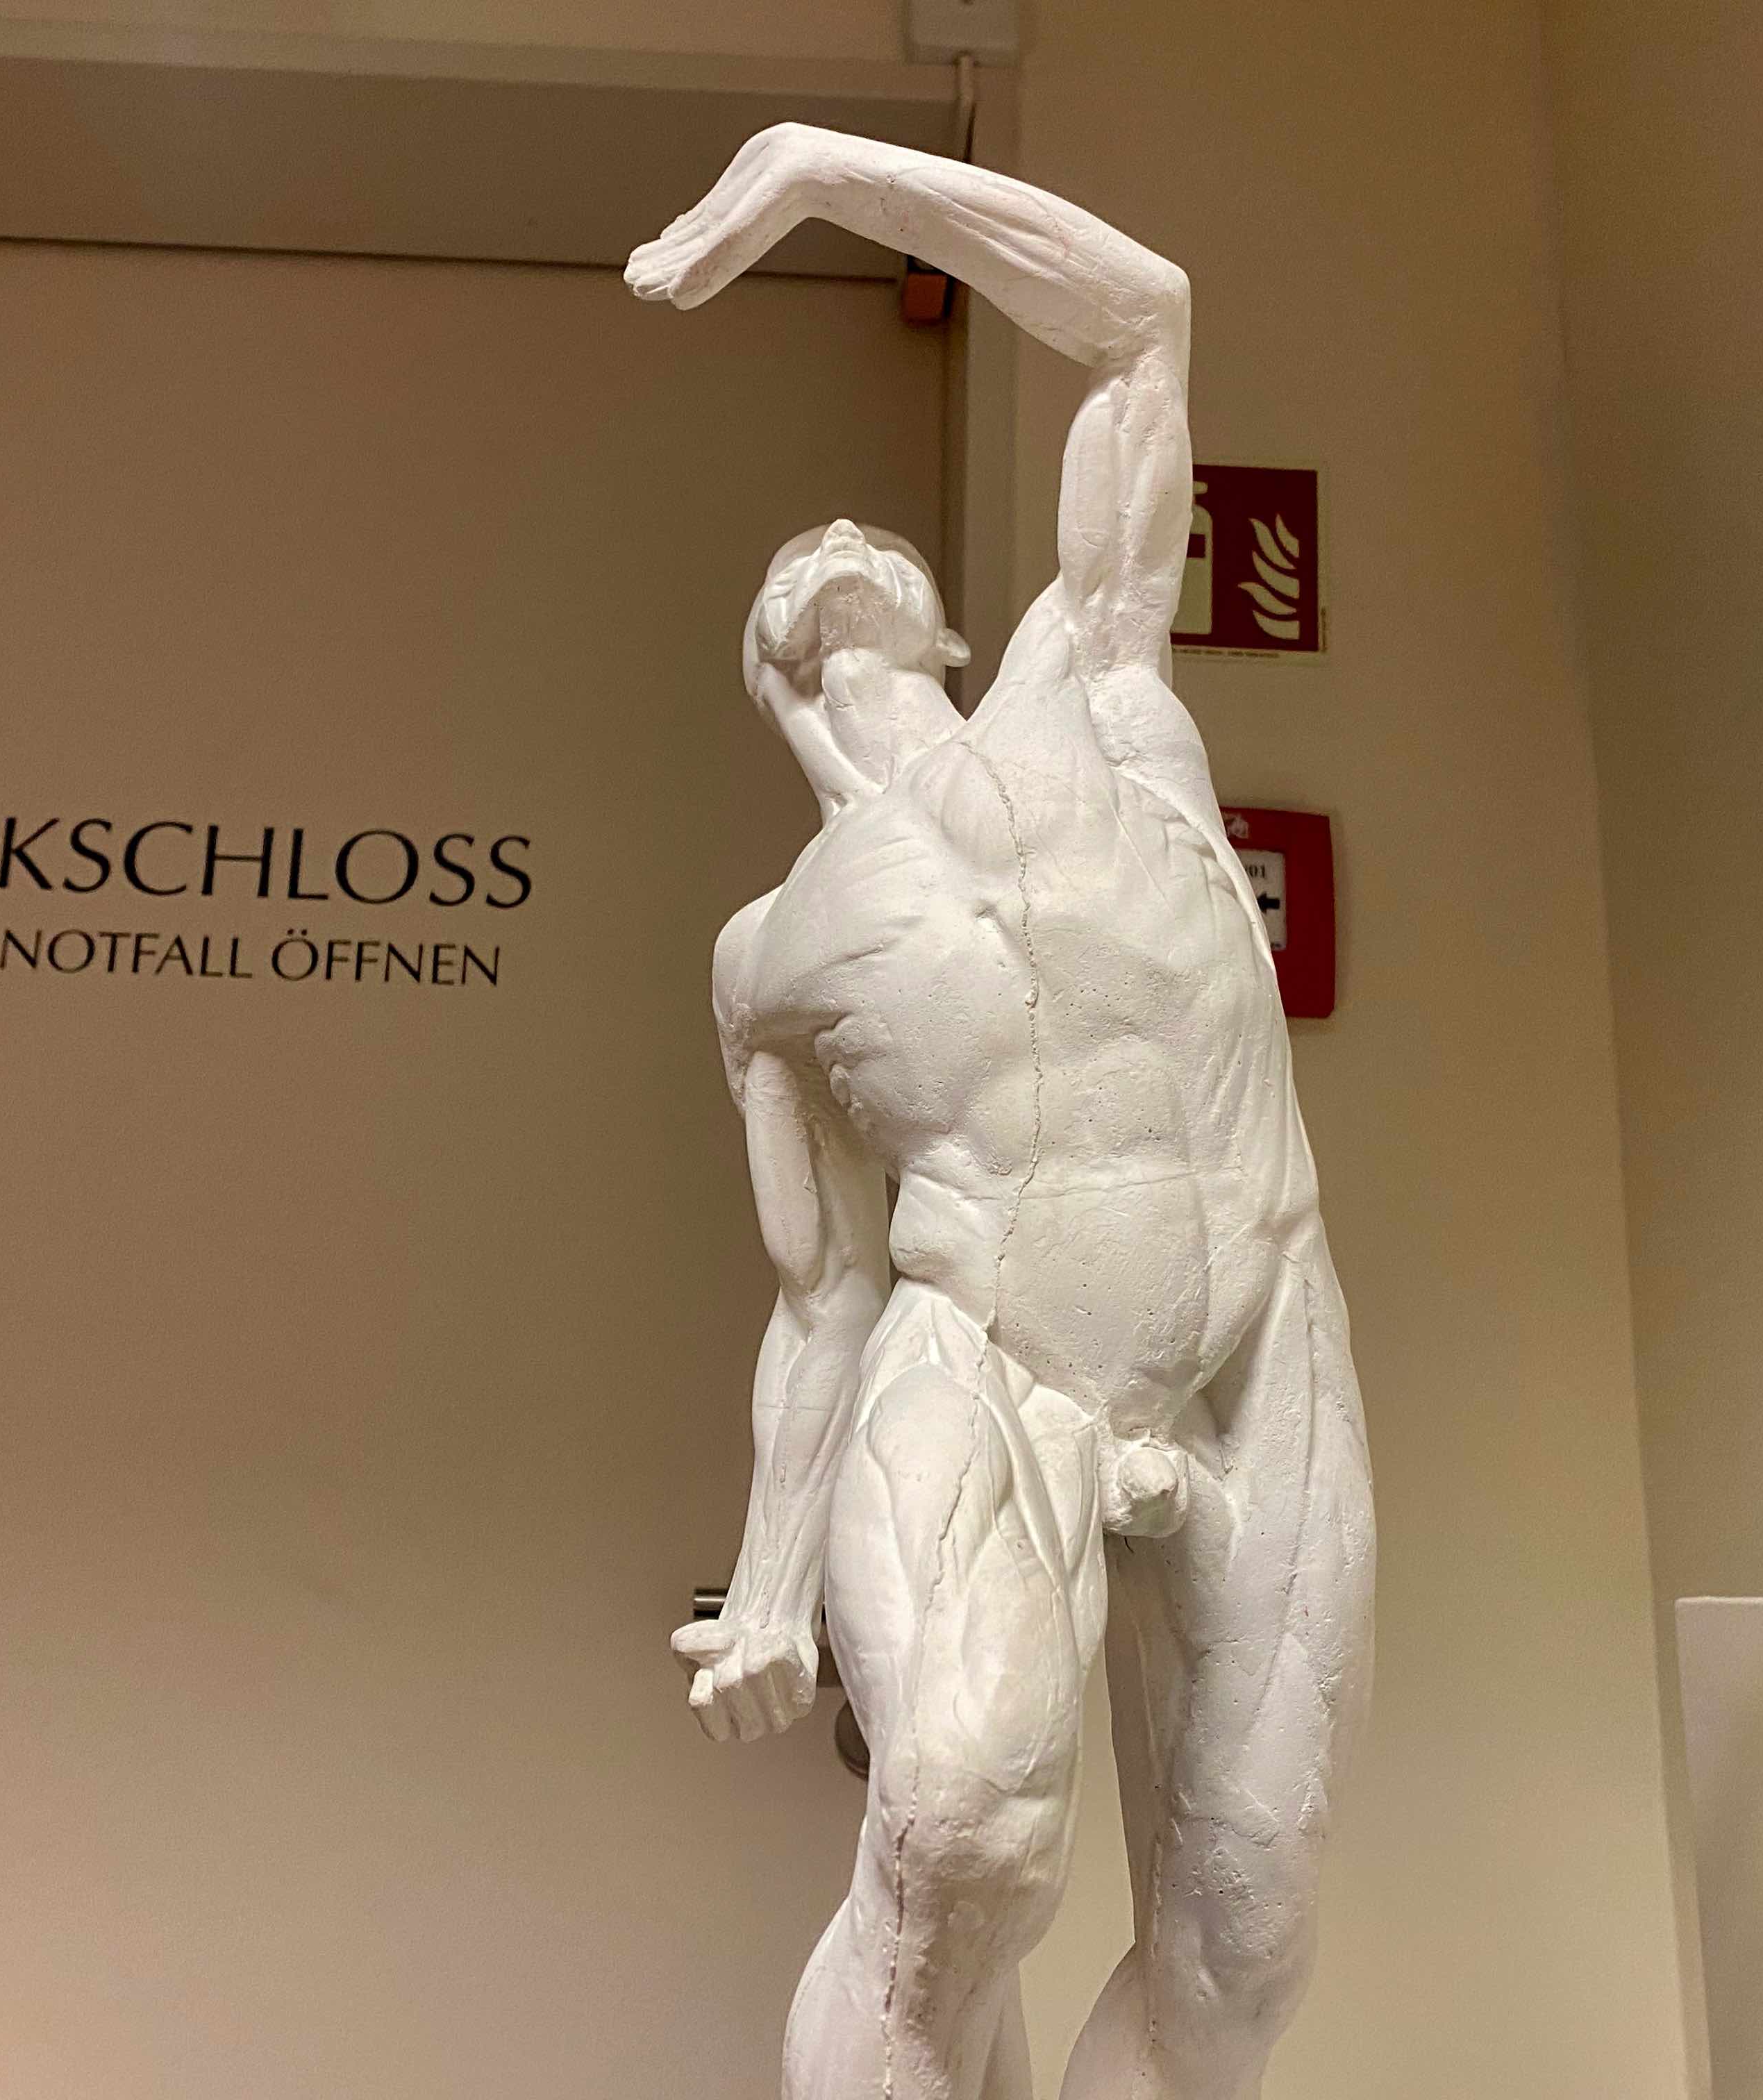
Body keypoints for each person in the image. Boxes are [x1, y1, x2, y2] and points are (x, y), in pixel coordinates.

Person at [630, 126, 1375, 2100]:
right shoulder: (773, 950)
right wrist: (771, 1584)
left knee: (1244, 1943)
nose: (832, 551)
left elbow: (1145, 325)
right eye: (799, 589)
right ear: (774, 683)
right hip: (987, 1355)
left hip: (1252, 1336)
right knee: (961, 1837)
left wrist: (810, 175)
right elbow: (821, 1291)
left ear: (947, 629)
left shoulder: (1101, 694)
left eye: (866, 562)